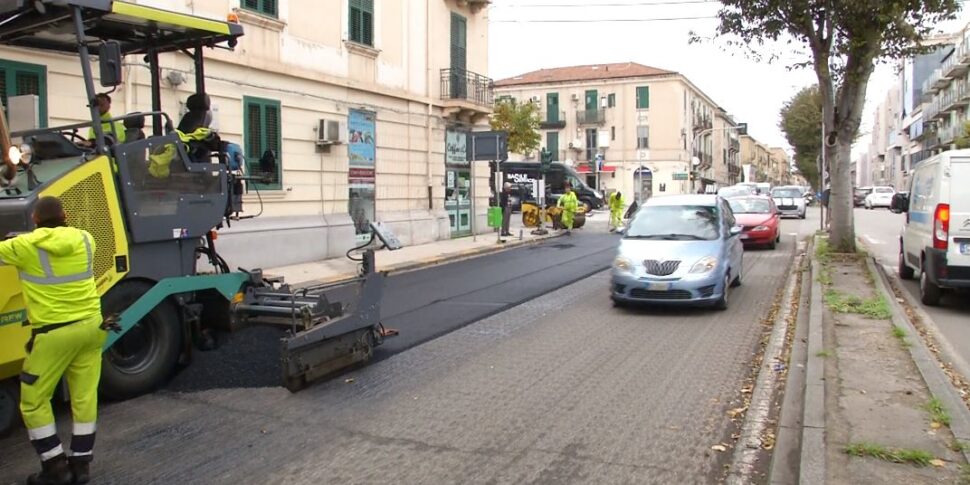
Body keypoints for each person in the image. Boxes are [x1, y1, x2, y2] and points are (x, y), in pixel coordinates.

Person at [0, 197, 106, 485]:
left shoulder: (24, 246)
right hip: (92, 327)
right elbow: (59, 246)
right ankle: (81, 465)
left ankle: (55, 467)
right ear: (65, 215)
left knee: (34, 401)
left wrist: (20, 238)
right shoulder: (86, 239)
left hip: (54, 334)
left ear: (34, 219)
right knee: (84, 397)